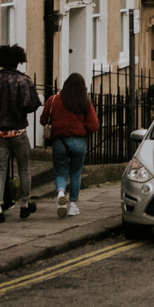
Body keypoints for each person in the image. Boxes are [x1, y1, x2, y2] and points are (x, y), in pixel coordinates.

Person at [0, 44, 41, 224]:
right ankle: (25, 205)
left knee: (0, 172)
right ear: (18, 61)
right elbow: (32, 104)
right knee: (24, 169)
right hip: (18, 132)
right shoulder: (23, 80)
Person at [41, 74, 99, 218]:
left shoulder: (53, 100)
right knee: (75, 173)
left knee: (60, 172)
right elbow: (94, 125)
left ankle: (60, 192)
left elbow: (43, 119)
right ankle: (73, 205)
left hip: (60, 142)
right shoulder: (85, 103)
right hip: (78, 142)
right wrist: (82, 130)